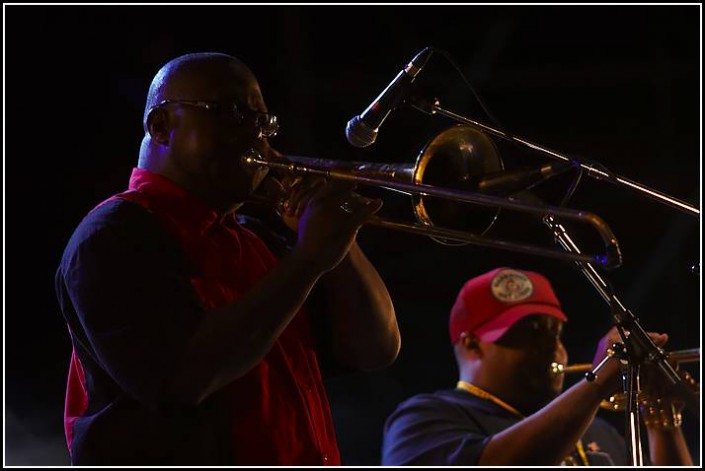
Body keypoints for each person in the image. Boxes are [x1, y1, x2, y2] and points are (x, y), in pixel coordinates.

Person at [55, 52, 401, 466]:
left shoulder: (258, 239)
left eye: (263, 121)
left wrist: (342, 246)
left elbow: (375, 349)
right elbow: (183, 378)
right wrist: (310, 257)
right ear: (161, 126)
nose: (257, 136)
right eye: (233, 113)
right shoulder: (113, 234)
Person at [381, 267, 694, 466]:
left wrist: (661, 416)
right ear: (472, 344)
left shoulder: (597, 430)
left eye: (555, 332)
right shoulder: (421, 420)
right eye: (529, 333)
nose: (551, 347)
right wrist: (597, 382)